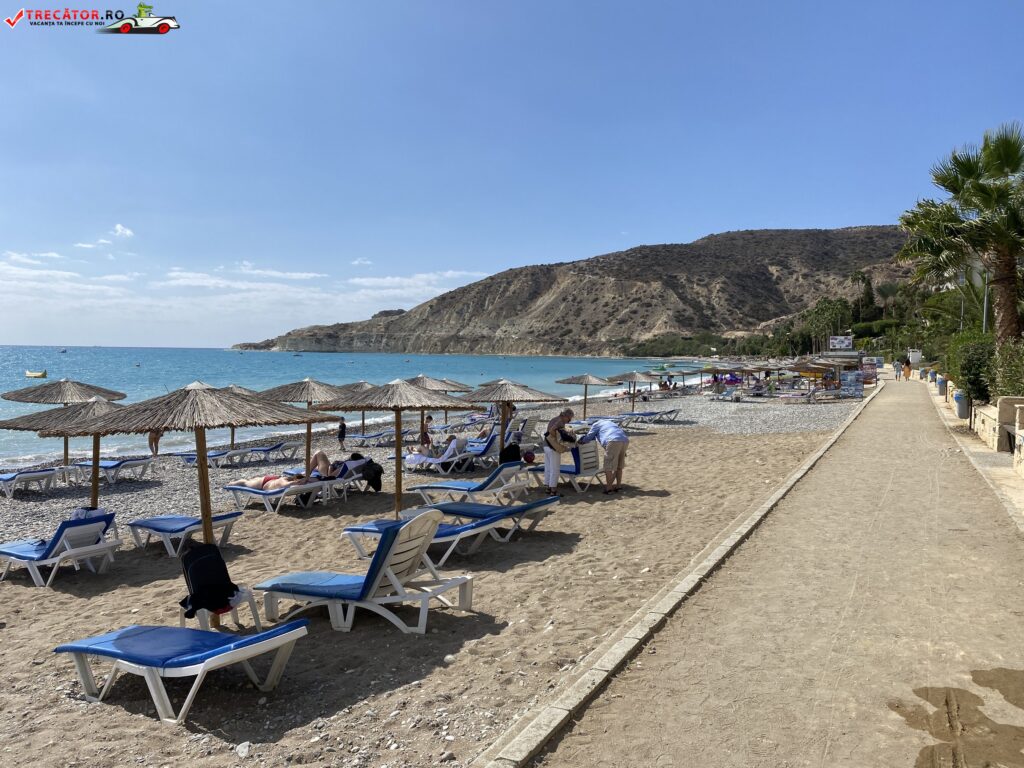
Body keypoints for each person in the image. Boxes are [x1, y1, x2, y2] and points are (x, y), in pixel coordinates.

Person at [578, 418, 629, 494]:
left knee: (608, 467)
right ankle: (618, 486)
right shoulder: (609, 422)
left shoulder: (596, 424)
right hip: (625, 440)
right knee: (619, 466)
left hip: (612, 440)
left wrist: (580, 440)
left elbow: (588, 437)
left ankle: (609, 489)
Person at [543, 408, 576, 496]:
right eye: (569, 419)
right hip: (552, 447)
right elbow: (551, 431)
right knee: (555, 469)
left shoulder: (554, 419)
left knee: (548, 468)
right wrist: (558, 439)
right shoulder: (560, 421)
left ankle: (548, 488)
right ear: (565, 416)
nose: (569, 421)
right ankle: (553, 491)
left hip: (546, 445)